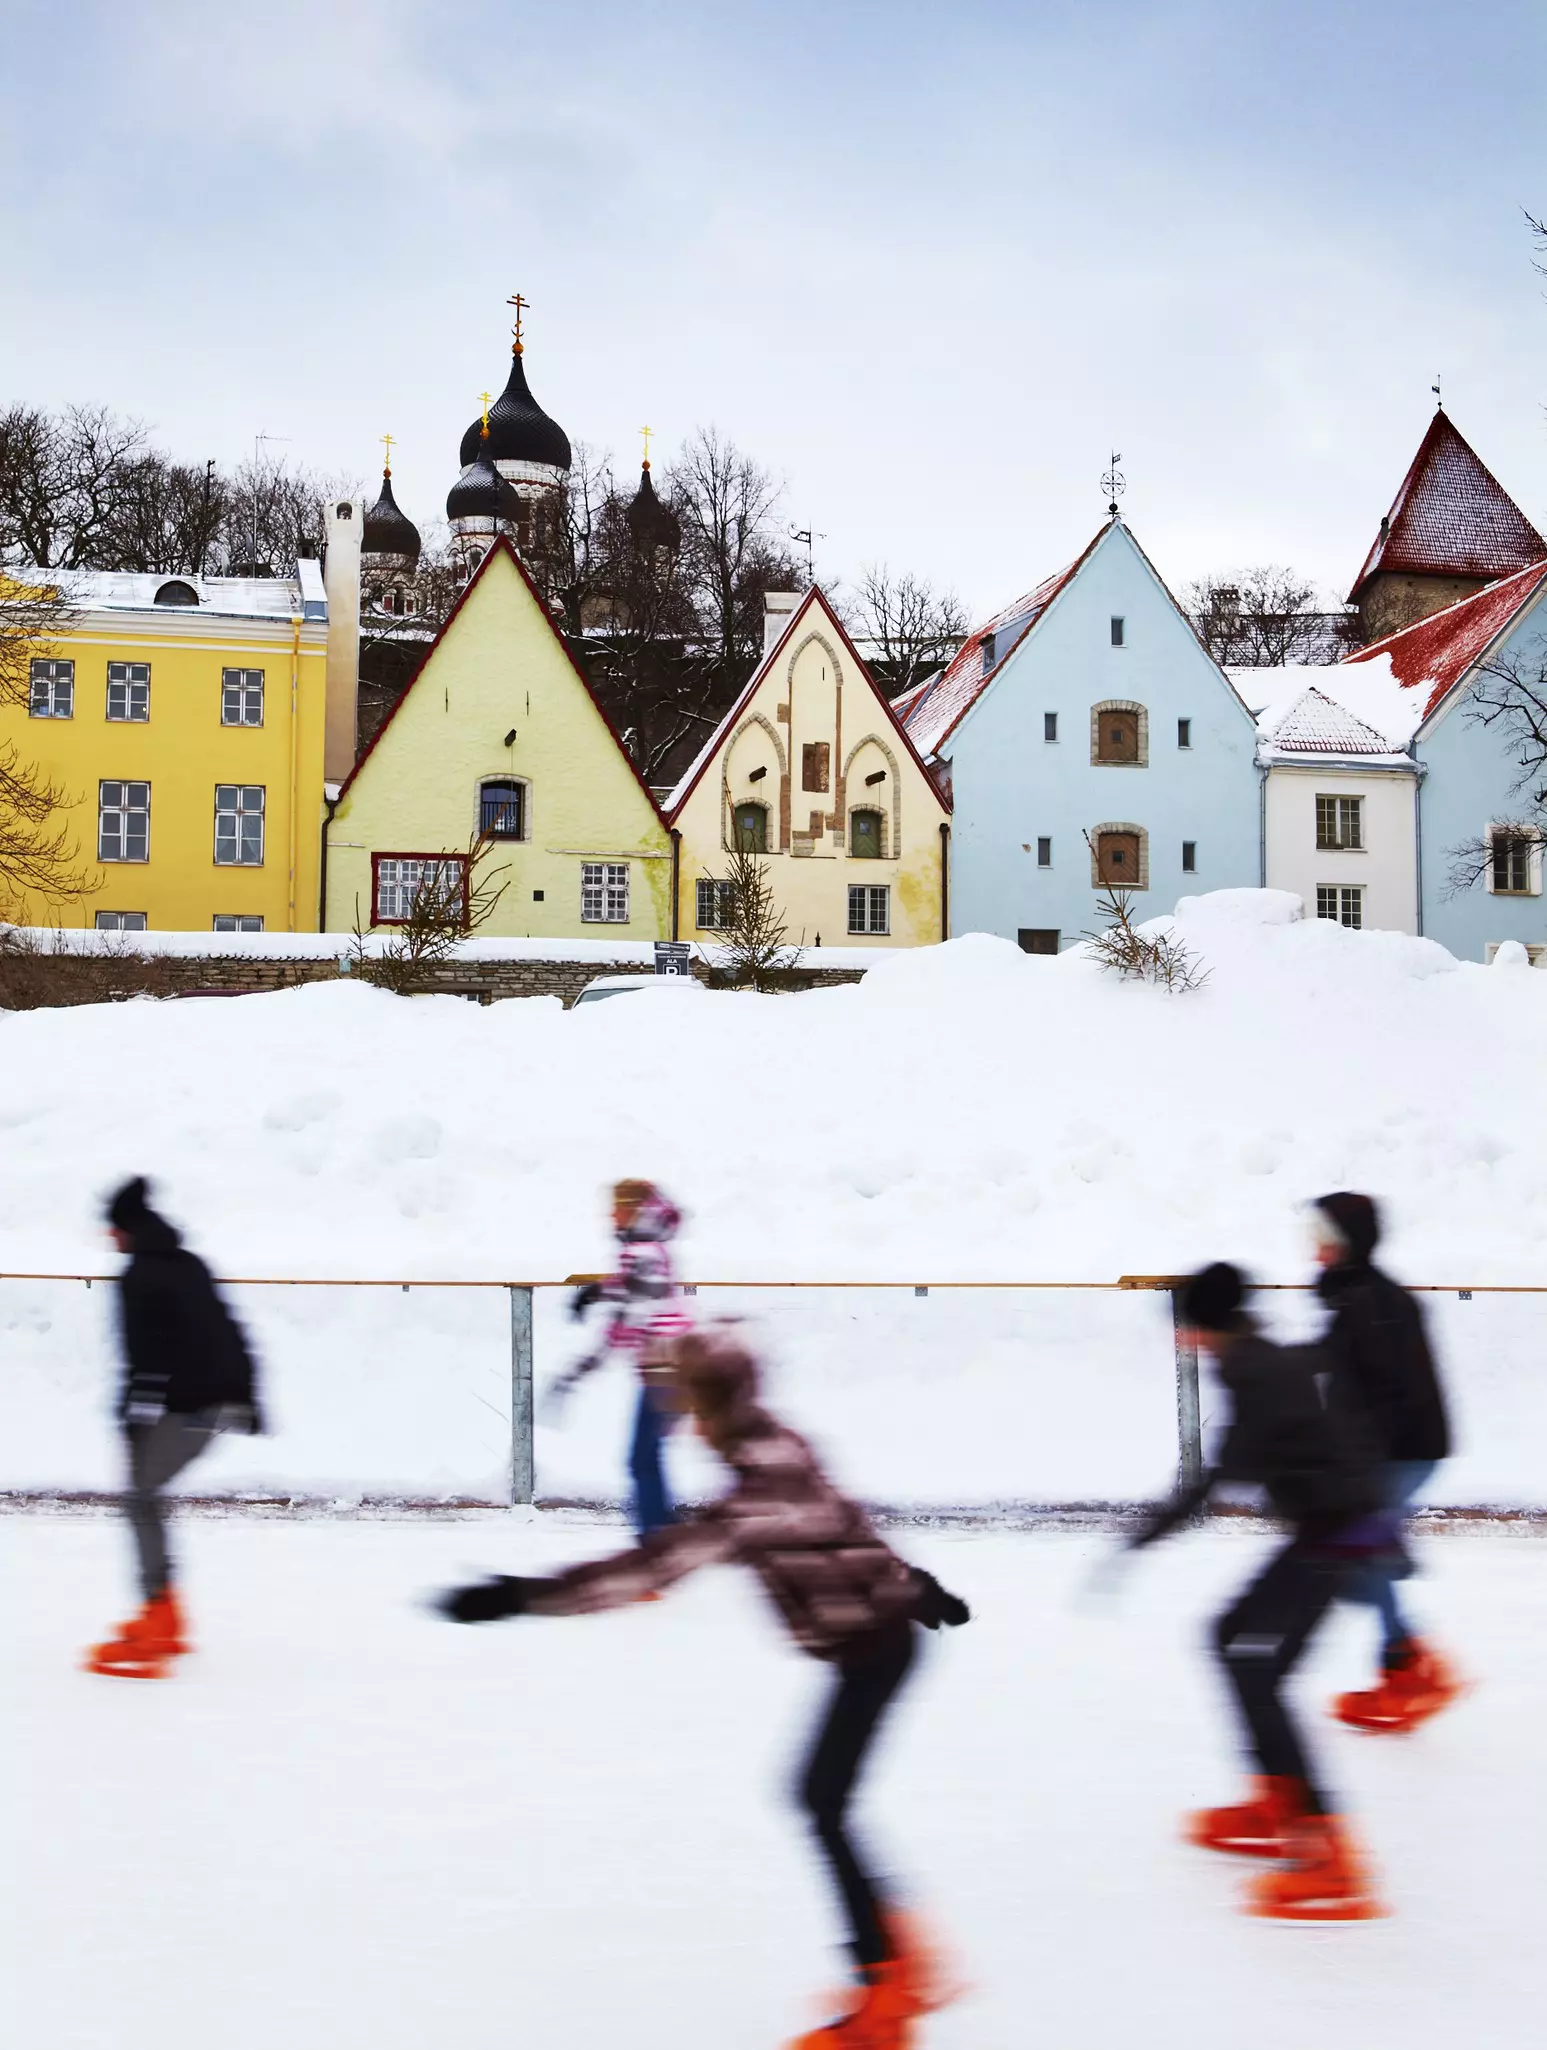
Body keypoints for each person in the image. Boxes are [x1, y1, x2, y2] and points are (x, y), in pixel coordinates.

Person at [438, 1324, 970, 2047]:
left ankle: (887, 1989)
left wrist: (521, 1597)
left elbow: (645, 1571)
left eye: (679, 1399)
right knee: (822, 1800)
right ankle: (899, 1964)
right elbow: (849, 1527)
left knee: (819, 1800)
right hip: (883, 1638)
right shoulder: (783, 1445)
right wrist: (917, 1586)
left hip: (873, 1648)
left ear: (699, 1408)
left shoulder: (751, 1499)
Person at [1122, 1262, 1390, 1921]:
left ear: (1197, 1326)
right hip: (1336, 1526)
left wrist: (1145, 1532)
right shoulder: (1256, 1356)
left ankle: (1330, 1853)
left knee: (1254, 1666)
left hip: (1339, 1531)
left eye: (1182, 1326)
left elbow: (1225, 1473)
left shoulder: (1251, 1368)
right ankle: (1278, 1798)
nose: (1180, 1339)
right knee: (1233, 1645)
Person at [86, 1176, 263, 1679]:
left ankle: (161, 1617)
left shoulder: (140, 1275)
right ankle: (164, 1613)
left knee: (141, 1500)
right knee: (145, 1499)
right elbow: (231, 1329)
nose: (110, 1238)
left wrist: (133, 1413)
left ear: (128, 1230)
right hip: (213, 1404)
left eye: (112, 1230)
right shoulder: (189, 1265)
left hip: (185, 1407)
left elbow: (144, 1354)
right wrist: (249, 1397)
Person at [1311, 1191, 1462, 1732]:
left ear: (1347, 1241)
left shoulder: (1370, 1302)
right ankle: (1408, 1667)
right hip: (1394, 1451)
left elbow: (1395, 1393)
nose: (1314, 1249)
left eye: (1323, 1237)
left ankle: (1415, 1672)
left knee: (1358, 1556)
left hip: (1402, 1451)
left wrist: (1360, 1474)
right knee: (1362, 1555)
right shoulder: (1358, 1297)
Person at [548, 1179, 689, 1538]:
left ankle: (657, 1546)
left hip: (666, 1369)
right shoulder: (650, 1248)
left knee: (641, 1460)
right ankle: (664, 1539)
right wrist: (599, 1290)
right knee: (648, 1459)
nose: (610, 1214)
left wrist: (575, 1374)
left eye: (618, 1207)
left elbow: (628, 1322)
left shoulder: (641, 1251)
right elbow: (638, 1290)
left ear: (635, 1210)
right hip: (673, 1366)